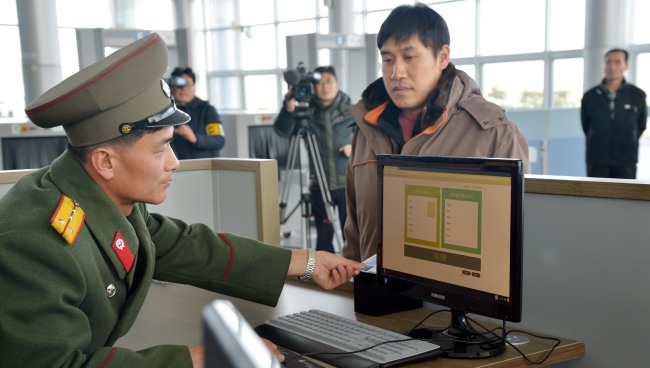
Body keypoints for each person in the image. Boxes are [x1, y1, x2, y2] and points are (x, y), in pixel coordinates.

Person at [0, 33, 364, 368]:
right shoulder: (34, 243)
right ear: (106, 161)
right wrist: (197, 359)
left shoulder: (92, 194)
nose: (174, 162)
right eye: (161, 149)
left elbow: (185, 246)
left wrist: (307, 262)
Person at [342, 3, 530, 262]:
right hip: (373, 296)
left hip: (455, 300)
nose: (396, 73)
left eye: (409, 57)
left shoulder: (494, 133)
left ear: (442, 57)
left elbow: (514, 244)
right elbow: (354, 231)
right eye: (387, 60)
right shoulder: (366, 128)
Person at [274, 66, 354, 253]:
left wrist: (354, 147)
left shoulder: (352, 111)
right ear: (312, 87)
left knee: (351, 236)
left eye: (330, 81)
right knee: (323, 239)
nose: (325, 86)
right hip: (319, 182)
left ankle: (353, 276)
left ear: (337, 84)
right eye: (320, 82)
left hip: (347, 184)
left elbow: (369, 141)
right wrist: (289, 108)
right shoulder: (306, 113)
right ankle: (324, 273)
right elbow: (282, 131)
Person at [581, 48, 647, 179]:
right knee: (595, 198)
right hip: (597, 161)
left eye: (617, 62)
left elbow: (641, 125)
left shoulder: (637, 95)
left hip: (626, 161)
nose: (612, 66)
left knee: (626, 198)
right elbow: (586, 126)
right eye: (608, 62)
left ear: (625, 65)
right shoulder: (590, 96)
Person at [170, 66, 226, 159]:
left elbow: (219, 140)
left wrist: (195, 138)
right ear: (172, 88)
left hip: (203, 167)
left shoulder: (207, 110)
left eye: (187, 84)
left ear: (194, 87)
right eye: (179, 84)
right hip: (177, 167)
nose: (183, 88)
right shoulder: (167, 112)